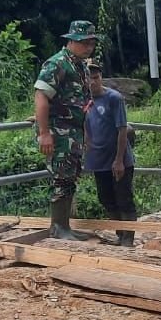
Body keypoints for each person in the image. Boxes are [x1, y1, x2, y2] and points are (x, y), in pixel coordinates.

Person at [35, 20, 96, 240]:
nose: (88, 47)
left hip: (74, 132)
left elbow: (84, 105)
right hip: (58, 132)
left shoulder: (81, 67)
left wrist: (86, 135)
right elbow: (41, 95)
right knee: (61, 177)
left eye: (91, 43)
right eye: (84, 43)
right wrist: (44, 133)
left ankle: (64, 226)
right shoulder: (57, 64)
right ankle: (58, 227)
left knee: (70, 176)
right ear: (71, 41)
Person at [84, 62, 136, 247]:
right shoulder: (84, 100)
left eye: (96, 78)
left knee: (124, 198)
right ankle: (119, 233)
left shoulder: (114, 98)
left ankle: (128, 237)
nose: (93, 82)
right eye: (89, 78)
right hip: (98, 159)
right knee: (106, 198)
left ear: (101, 78)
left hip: (118, 157)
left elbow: (122, 129)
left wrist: (119, 160)